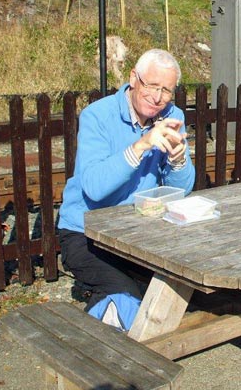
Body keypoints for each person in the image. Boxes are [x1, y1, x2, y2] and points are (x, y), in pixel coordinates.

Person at [57, 48, 196, 326]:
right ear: (133, 78)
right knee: (125, 295)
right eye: (151, 86)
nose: (158, 98)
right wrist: (142, 145)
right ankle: (93, 354)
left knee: (185, 288)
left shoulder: (172, 114)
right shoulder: (97, 116)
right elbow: (95, 188)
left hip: (139, 233)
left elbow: (181, 191)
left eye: (166, 90)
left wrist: (178, 160)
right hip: (85, 234)